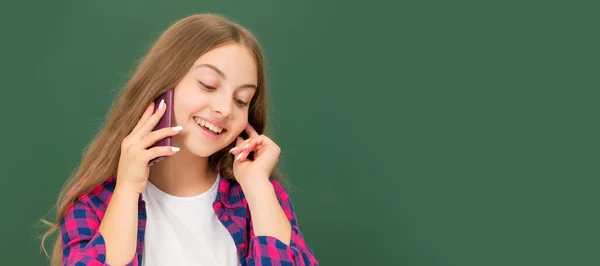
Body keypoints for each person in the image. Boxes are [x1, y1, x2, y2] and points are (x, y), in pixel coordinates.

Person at [40, 13, 318, 266]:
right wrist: (128, 188)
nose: (225, 108)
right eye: (208, 85)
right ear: (164, 83)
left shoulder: (258, 197)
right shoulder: (95, 199)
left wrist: (258, 187)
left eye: (241, 99)